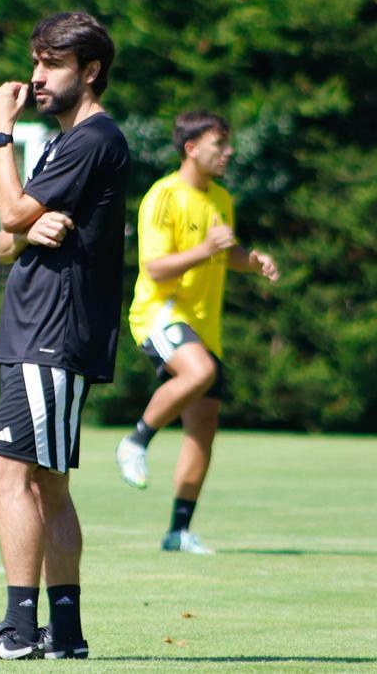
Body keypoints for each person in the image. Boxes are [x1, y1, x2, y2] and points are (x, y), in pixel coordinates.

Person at [0, 11, 128, 661]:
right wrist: (27, 227)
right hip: (38, 330)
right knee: (48, 483)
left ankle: (20, 632)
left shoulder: (92, 140)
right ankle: (66, 632)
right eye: (35, 62)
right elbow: (4, 239)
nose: (35, 77)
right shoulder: (62, 144)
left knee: (2, 470)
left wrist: (0, 134)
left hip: (52, 332)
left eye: (50, 64)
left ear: (91, 70)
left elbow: (7, 209)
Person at [115, 111, 279, 555]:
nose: (228, 153)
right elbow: (155, 268)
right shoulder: (164, 196)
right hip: (161, 313)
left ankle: (179, 531)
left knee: (203, 428)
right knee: (199, 371)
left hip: (205, 325)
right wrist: (206, 249)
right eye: (219, 145)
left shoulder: (221, 199)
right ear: (191, 148)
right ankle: (135, 441)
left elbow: (224, 256)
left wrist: (252, 260)